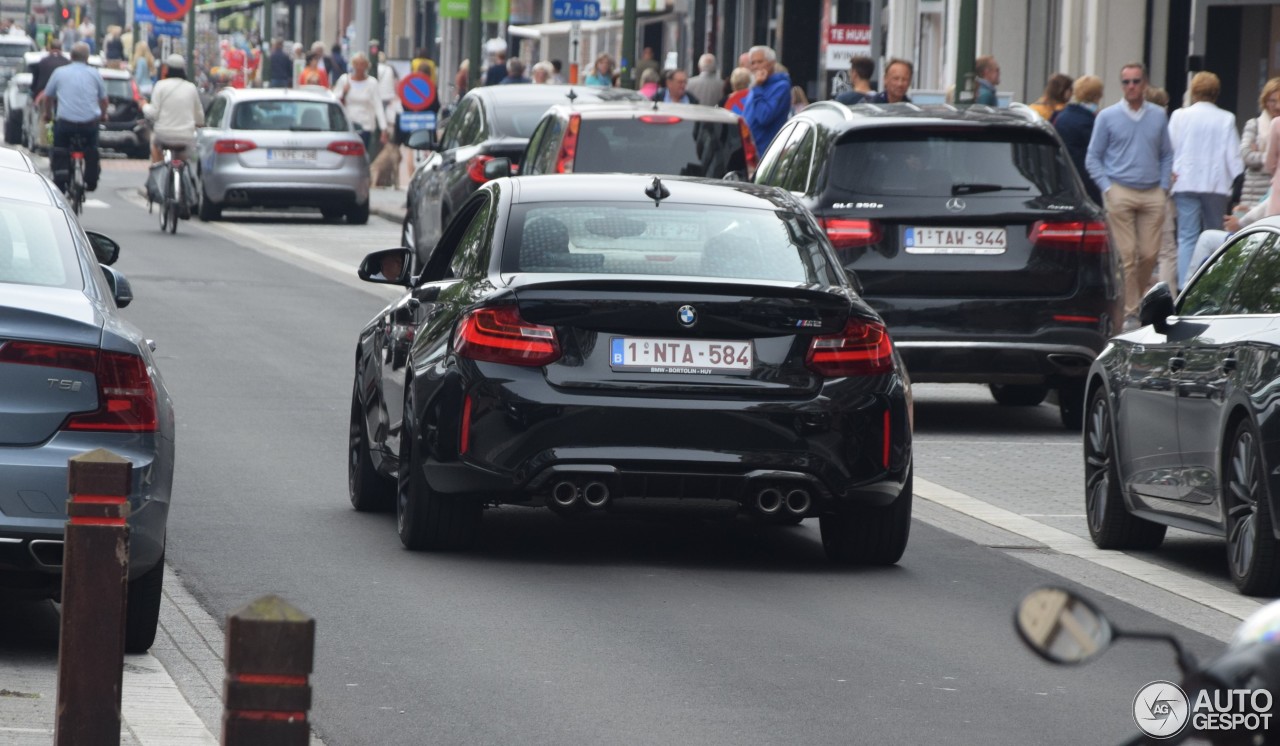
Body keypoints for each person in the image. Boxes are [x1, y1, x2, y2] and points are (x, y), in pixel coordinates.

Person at [1085, 62, 1173, 329]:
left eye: (1136, 81)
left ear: (1144, 84)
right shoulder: (1107, 117)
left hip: (1152, 192)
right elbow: (1093, 157)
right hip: (1120, 189)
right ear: (1121, 85)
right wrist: (1107, 188)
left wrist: (1163, 186)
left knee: (1149, 254)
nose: (1131, 86)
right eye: (1126, 82)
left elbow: (1167, 153)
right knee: (1127, 256)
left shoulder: (1158, 115)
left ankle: (1139, 302)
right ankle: (1132, 311)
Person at [1168, 71, 1243, 287]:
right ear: (1216, 93)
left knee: (1187, 237)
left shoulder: (1179, 116)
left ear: (1193, 91)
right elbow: (1234, 157)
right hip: (1215, 183)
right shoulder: (1226, 118)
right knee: (1216, 235)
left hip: (1185, 181)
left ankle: (1184, 285)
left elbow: (1170, 148)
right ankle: (1213, 284)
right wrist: (1236, 180)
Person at [37, 43, 106, 194]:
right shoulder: (95, 74)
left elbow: (48, 97)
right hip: (89, 124)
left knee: (60, 148)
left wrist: (47, 114)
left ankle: (61, 178)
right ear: (87, 57)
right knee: (92, 148)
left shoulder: (59, 73)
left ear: (71, 56)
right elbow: (104, 100)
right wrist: (103, 115)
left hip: (65, 123)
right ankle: (91, 178)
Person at [1145, 85, 1178, 291]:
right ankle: (1169, 297)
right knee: (1166, 250)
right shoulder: (1161, 130)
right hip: (1158, 195)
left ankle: (1136, 299)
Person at [1053, 74, 1104, 205]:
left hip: (1063, 178)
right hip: (1084, 181)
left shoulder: (1062, 116)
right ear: (1096, 96)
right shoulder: (1087, 122)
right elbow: (1099, 152)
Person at [144, 54, 204, 163]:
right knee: (185, 158)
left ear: (167, 69)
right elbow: (199, 118)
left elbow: (153, 113)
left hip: (163, 135)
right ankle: (184, 173)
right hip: (186, 136)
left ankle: (158, 168)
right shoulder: (191, 88)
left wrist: (144, 106)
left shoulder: (160, 85)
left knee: (154, 143)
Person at [333, 52, 388, 158]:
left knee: (362, 155)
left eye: (362, 64)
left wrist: (383, 129)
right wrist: (344, 93)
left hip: (365, 126)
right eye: (357, 64)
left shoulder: (372, 83)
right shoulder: (344, 80)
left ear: (366, 66)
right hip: (348, 124)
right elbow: (335, 101)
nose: (359, 67)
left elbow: (378, 106)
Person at [1240, 78, 1280, 208]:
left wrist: (1261, 153)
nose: (1276, 105)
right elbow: (1246, 154)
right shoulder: (1254, 124)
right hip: (1252, 196)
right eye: (1272, 101)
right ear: (1265, 101)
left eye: (1278, 101)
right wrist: (1271, 156)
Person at [743, 45, 791, 151]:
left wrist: (758, 88)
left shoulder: (781, 87)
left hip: (765, 152)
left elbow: (764, 117)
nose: (755, 66)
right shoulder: (756, 86)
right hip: (750, 151)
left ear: (771, 63)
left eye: (760, 62)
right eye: (752, 63)